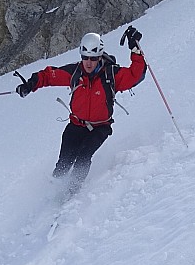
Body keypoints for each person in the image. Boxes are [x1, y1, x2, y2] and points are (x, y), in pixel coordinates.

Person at [16, 26, 147, 194]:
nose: (88, 62)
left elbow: (136, 75)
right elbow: (49, 75)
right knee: (64, 162)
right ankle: (51, 193)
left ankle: (72, 192)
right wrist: (30, 85)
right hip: (76, 125)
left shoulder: (111, 75)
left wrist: (135, 49)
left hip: (100, 128)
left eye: (93, 58)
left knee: (83, 158)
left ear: (99, 56)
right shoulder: (75, 73)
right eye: (85, 57)